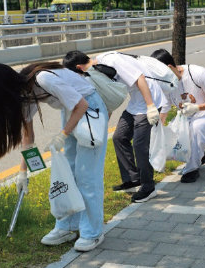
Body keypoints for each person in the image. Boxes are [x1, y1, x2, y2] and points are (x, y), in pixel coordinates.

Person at [0, 62, 109, 252]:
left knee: (86, 176)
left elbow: (82, 104)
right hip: (71, 112)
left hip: (90, 112)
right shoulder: (23, 94)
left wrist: (63, 135)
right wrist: (23, 173)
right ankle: (67, 226)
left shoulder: (42, 79)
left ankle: (93, 232)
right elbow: (28, 137)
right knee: (68, 173)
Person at [63, 50, 165, 203]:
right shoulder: (97, 72)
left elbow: (140, 78)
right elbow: (109, 99)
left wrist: (151, 106)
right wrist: (102, 126)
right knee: (119, 137)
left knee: (139, 144)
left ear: (79, 68)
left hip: (150, 100)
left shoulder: (112, 60)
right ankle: (133, 179)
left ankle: (148, 187)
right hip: (135, 104)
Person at [150, 49, 205, 183]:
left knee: (196, 128)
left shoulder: (197, 73)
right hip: (189, 117)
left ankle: (191, 169)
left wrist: (197, 107)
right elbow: (165, 107)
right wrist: (159, 127)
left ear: (169, 68)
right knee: (173, 135)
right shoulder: (167, 84)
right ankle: (200, 155)